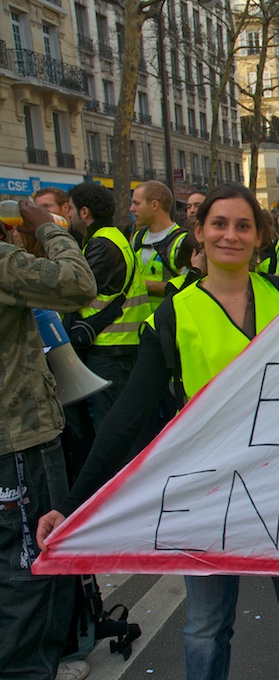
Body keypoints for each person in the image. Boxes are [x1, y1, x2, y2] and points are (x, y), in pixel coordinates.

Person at [37, 184, 279, 680]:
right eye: (219, 224)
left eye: (244, 225)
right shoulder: (174, 314)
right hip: (208, 491)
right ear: (198, 233)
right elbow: (126, 416)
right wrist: (71, 505)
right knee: (206, 626)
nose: (231, 234)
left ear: (259, 236)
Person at [1, 200, 96, 680]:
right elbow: (78, 284)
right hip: (17, 440)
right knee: (27, 565)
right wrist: (50, 232)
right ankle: (28, 669)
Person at [66, 182, 150, 432]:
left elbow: (75, 290)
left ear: (84, 212)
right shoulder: (107, 238)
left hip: (111, 348)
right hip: (114, 344)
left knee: (111, 426)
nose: (67, 214)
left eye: (69, 209)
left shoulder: (103, 243)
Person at [129, 180, 188, 314]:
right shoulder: (138, 238)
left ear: (155, 204)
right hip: (138, 323)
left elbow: (188, 287)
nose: (131, 208)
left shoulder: (181, 242)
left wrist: (149, 285)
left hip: (168, 323)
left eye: (137, 203)